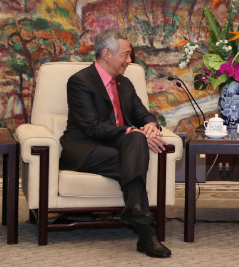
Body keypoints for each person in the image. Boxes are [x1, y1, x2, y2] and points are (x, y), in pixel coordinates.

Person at [59, 28, 171, 258]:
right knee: (134, 152)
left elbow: (144, 114)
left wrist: (151, 125)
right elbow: (91, 127)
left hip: (119, 147)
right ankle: (146, 234)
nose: (130, 61)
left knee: (136, 141)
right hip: (84, 148)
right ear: (107, 54)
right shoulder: (80, 81)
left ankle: (135, 211)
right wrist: (131, 130)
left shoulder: (125, 84)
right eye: (126, 55)